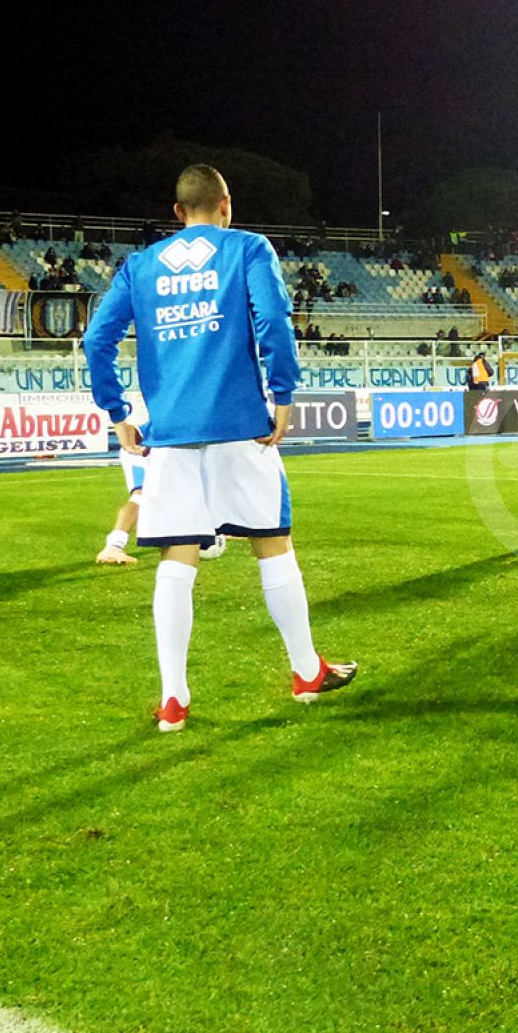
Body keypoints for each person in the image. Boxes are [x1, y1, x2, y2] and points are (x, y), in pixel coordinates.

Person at [83, 164, 356, 732]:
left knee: (176, 560)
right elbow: (273, 319)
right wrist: (283, 393)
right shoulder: (248, 248)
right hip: (240, 427)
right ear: (226, 204)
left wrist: (117, 412)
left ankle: (173, 700)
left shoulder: (141, 265)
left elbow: (96, 340)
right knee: (272, 546)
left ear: (177, 211)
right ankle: (306, 671)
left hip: (171, 436)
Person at [94, 402, 226, 567]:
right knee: (141, 494)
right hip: (144, 444)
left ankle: (212, 528)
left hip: (175, 444)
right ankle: (114, 546)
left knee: (195, 488)